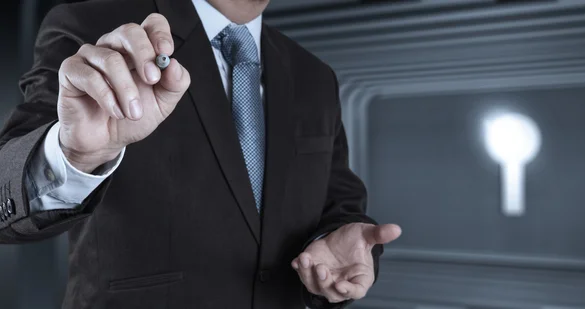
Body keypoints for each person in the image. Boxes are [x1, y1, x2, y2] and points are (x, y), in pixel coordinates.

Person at [0, 0, 402, 308]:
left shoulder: (315, 75)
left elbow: (340, 204)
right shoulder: (94, 29)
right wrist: (72, 154)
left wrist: (340, 246)